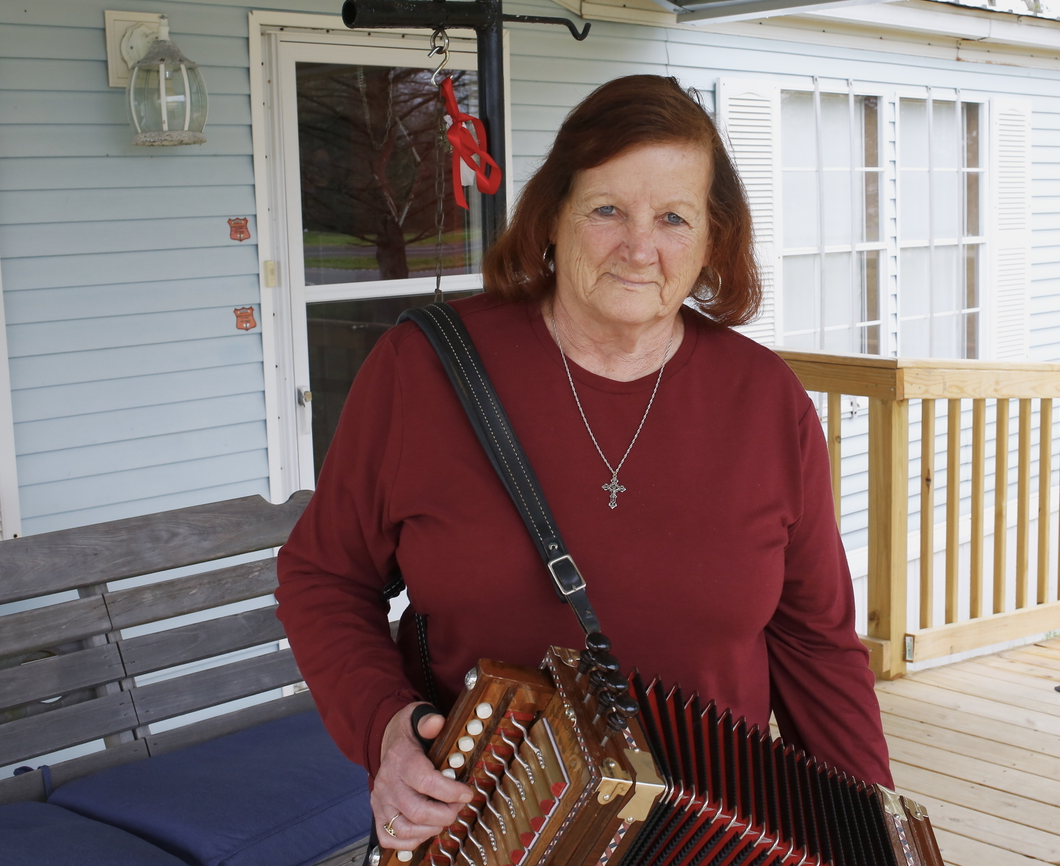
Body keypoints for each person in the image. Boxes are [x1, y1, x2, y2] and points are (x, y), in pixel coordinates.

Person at [275, 74, 892, 856]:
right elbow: (323, 577)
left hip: (711, 840)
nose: (640, 248)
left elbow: (816, 647)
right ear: (552, 220)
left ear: (711, 241)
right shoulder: (420, 372)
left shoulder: (767, 402)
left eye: (674, 217)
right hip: (482, 831)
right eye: (607, 210)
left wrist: (873, 839)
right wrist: (386, 730)